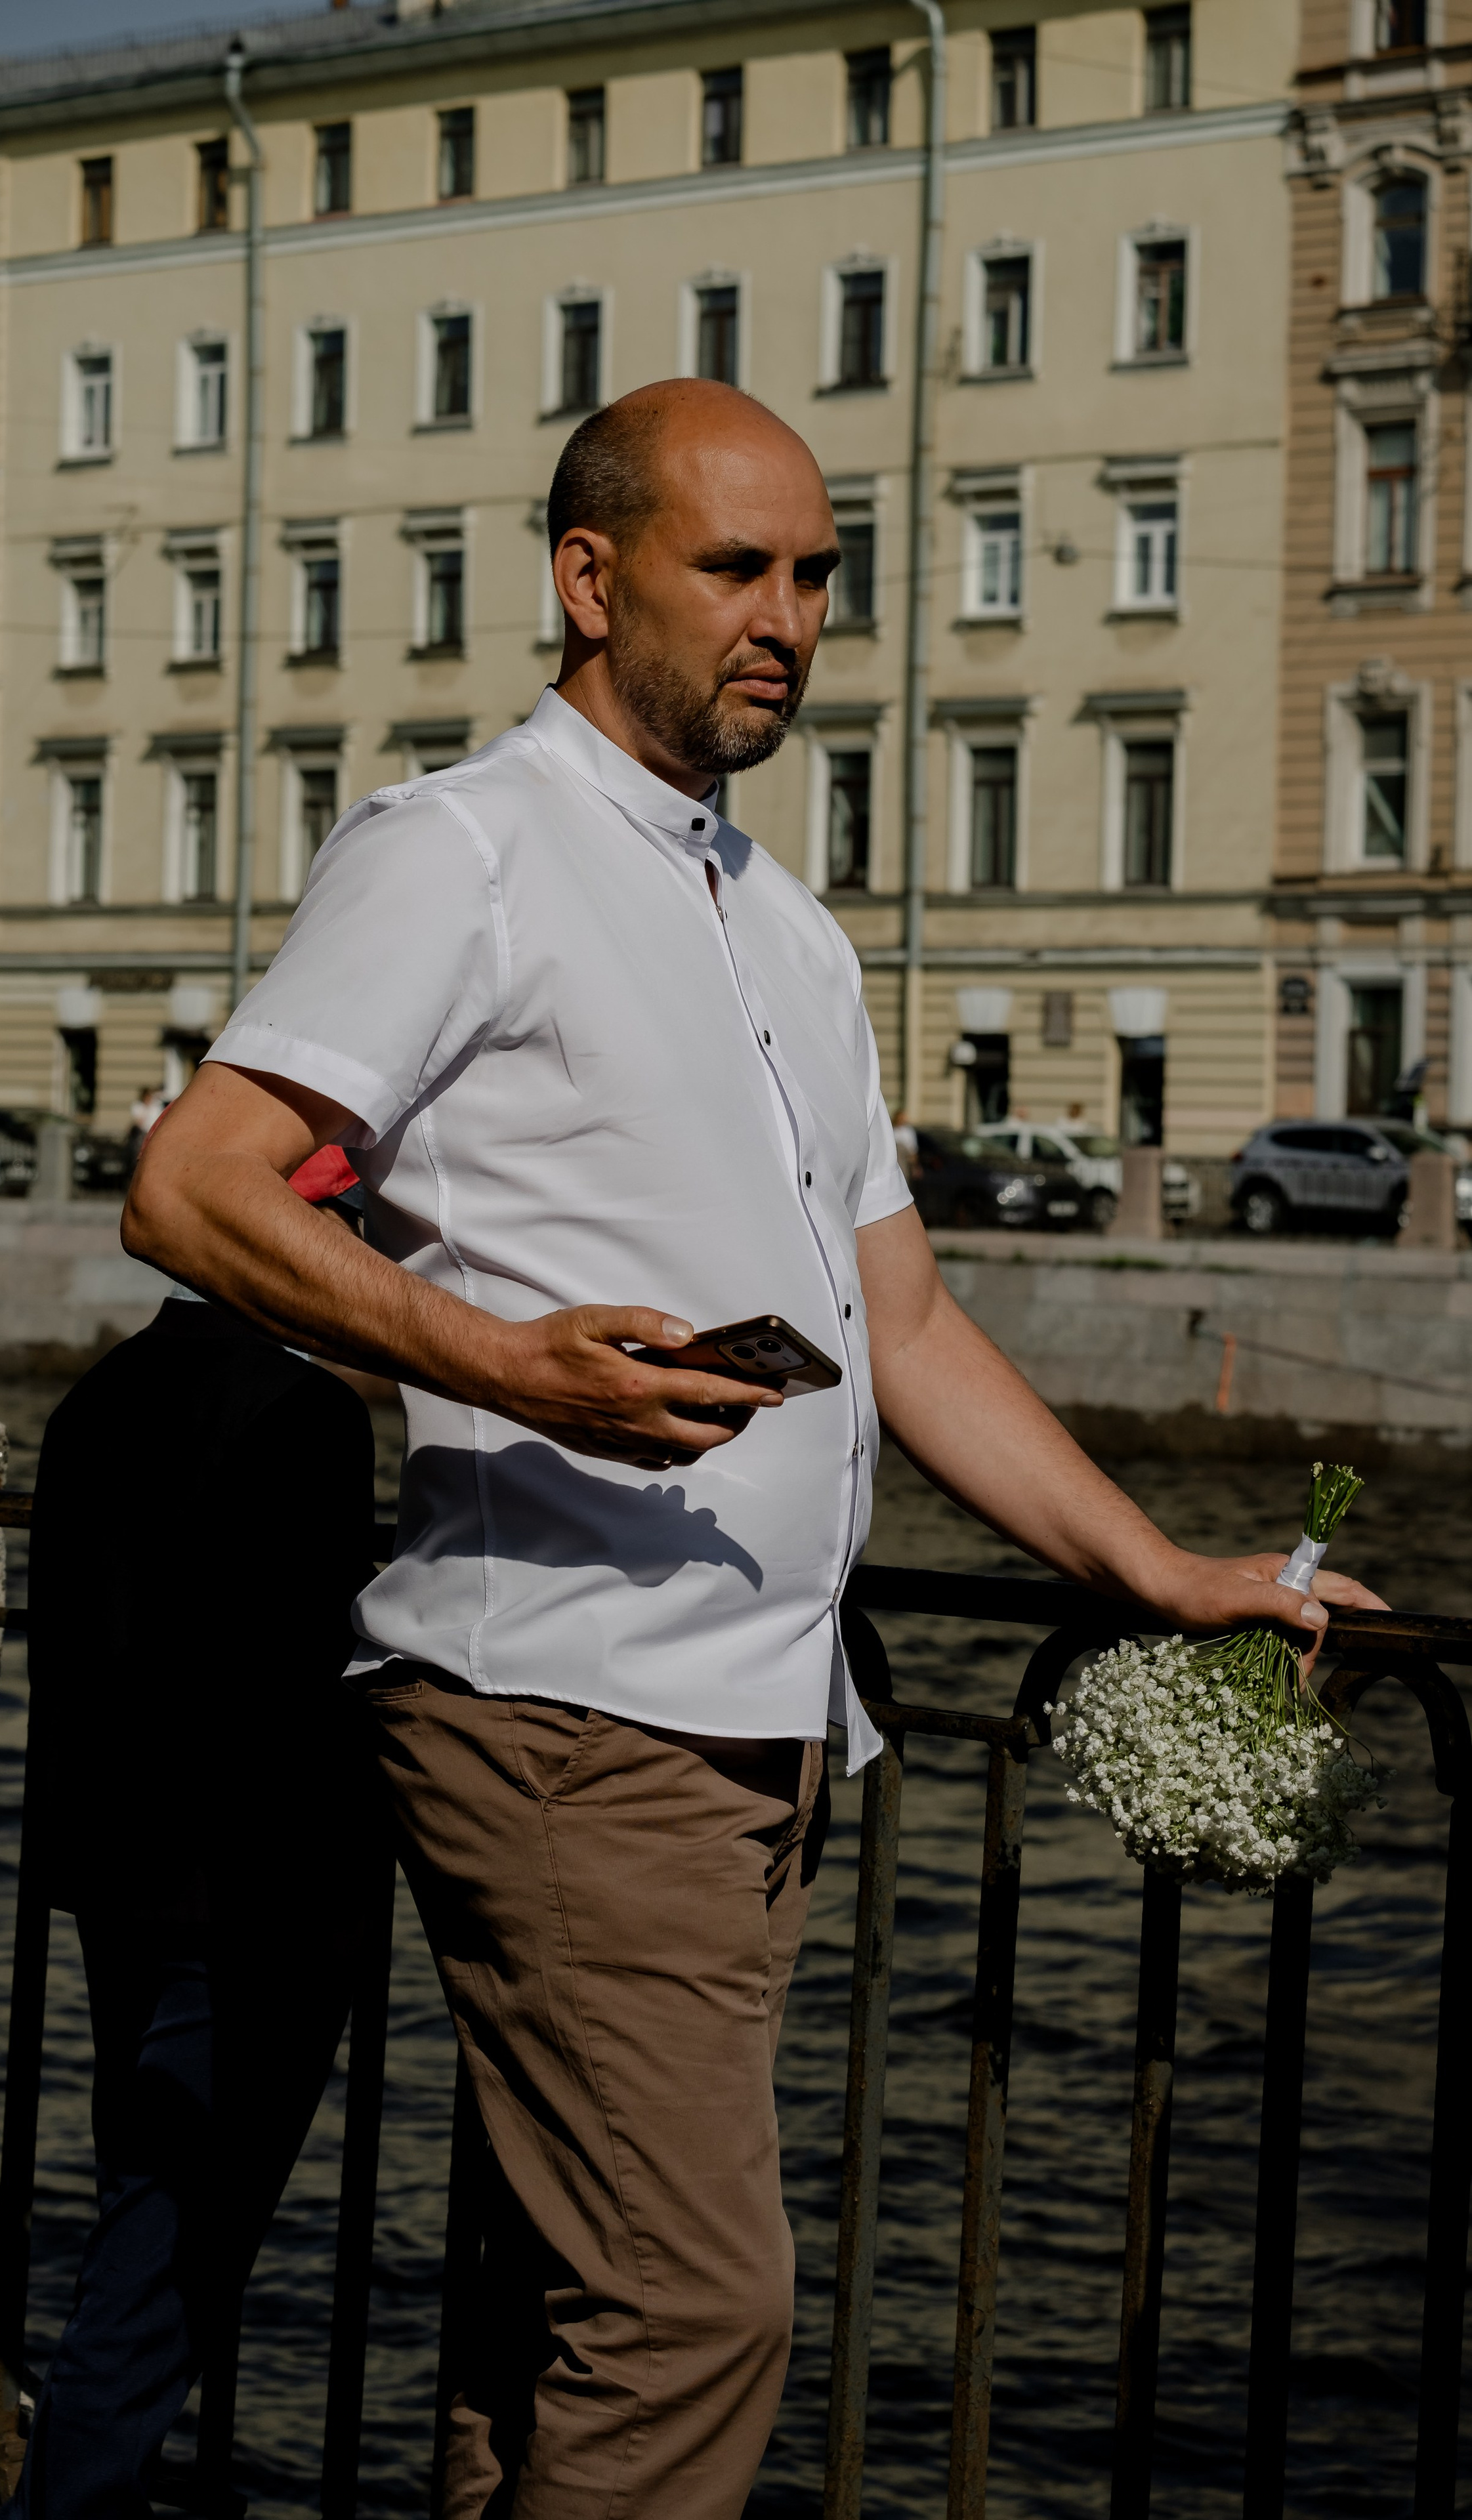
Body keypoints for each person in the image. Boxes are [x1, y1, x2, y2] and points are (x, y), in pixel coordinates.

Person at [121, 379, 1382, 2519]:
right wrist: (513, 1369)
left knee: (568, 2311)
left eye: (815, 573)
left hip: (747, 1718)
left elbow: (898, 1317)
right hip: (563, 1709)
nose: (788, 617)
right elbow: (198, 1186)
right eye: (738, 569)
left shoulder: (779, 917)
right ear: (591, 579)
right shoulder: (465, 850)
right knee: (702, 2311)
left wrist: (1154, 1571)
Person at [8, 1148, 377, 2518]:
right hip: (250, 1910)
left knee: (147, 2226)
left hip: (124, 1888)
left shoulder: (97, 1397)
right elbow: (297, 1692)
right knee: (164, 2266)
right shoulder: (308, 1417)